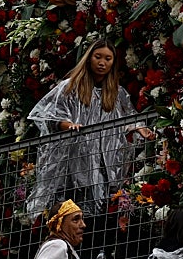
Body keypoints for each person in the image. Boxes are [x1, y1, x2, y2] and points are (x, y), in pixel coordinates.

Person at [27, 38, 154, 219]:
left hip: (103, 165)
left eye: (108, 59)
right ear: (89, 58)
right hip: (74, 163)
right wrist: (69, 125)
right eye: (98, 57)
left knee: (98, 215)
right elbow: (51, 116)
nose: (102, 63)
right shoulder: (70, 87)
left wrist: (138, 128)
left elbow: (126, 117)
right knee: (73, 212)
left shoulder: (116, 93)